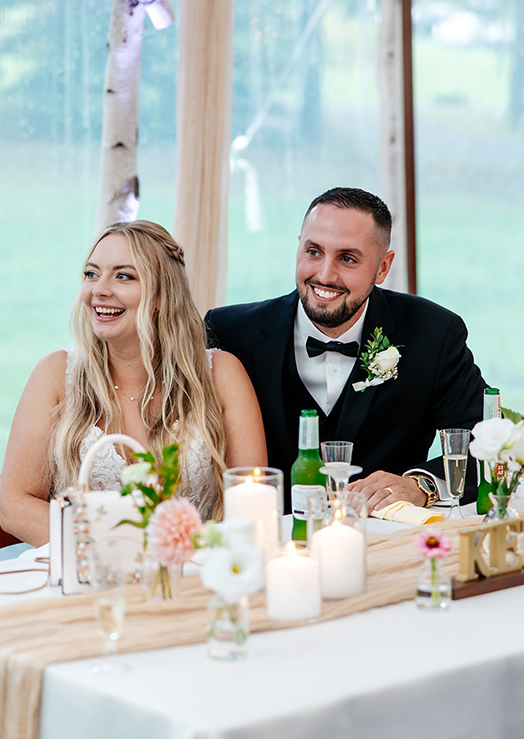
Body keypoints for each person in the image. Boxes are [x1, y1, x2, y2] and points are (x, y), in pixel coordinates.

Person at [205, 186, 488, 512]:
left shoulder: (433, 333)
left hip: (386, 540)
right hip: (268, 541)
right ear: (298, 247)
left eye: (348, 258)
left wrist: (420, 485)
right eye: (314, 252)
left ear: (383, 267)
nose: (325, 275)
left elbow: (490, 443)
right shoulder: (228, 332)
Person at [0, 220, 269, 547]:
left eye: (123, 276)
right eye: (91, 274)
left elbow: (250, 501)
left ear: (160, 296)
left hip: (192, 577)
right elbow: (14, 506)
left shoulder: (220, 375)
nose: (99, 289)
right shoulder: (56, 375)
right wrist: (115, 555)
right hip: (90, 579)